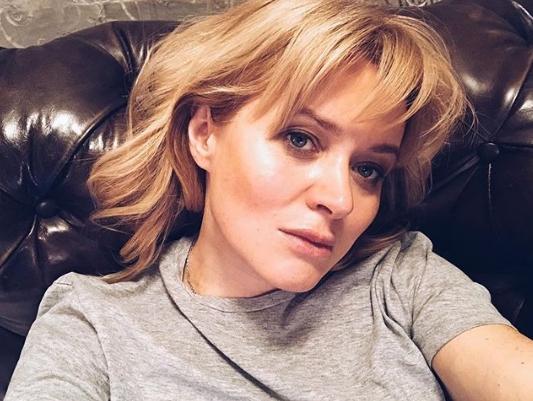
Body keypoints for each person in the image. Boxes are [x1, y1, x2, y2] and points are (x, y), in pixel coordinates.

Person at [5, 0, 533, 400]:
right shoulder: (93, 322)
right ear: (205, 133)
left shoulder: (400, 277)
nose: (341, 199)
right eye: (300, 139)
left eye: (368, 169)